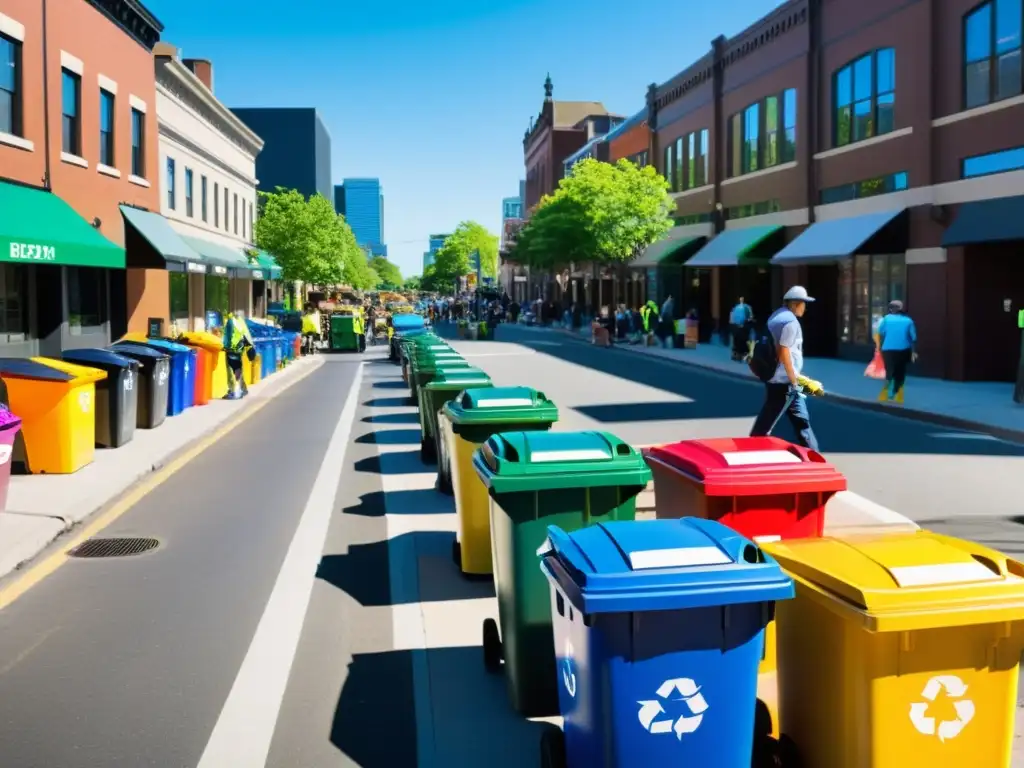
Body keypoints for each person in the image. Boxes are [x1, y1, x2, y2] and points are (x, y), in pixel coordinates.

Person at [750, 286, 819, 450]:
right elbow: (784, 351)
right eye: (803, 303)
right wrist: (794, 379)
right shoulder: (790, 322)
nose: (805, 307)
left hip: (778, 378)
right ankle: (751, 449)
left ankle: (815, 458)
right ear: (795, 304)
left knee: (801, 421)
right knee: (766, 424)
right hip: (783, 381)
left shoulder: (777, 316)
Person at [875, 300, 917, 404]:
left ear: (890, 309)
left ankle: (888, 395)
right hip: (904, 349)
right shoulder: (908, 321)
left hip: (888, 349)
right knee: (900, 371)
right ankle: (897, 394)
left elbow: (880, 333)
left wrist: (879, 347)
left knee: (890, 371)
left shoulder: (886, 319)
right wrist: (913, 352)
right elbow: (913, 338)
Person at [222, 311, 255, 399]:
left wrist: (225, 346)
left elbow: (228, 336)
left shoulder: (230, 321)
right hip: (239, 348)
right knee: (238, 369)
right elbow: (246, 334)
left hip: (231, 348)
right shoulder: (240, 321)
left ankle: (234, 391)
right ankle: (243, 389)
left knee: (231, 370)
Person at [729, 296, 754, 361]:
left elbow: (732, 317)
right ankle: (742, 355)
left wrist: (732, 325)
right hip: (743, 327)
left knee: (736, 342)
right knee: (744, 341)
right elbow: (750, 317)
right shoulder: (747, 307)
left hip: (736, 326)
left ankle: (737, 354)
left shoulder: (735, 307)